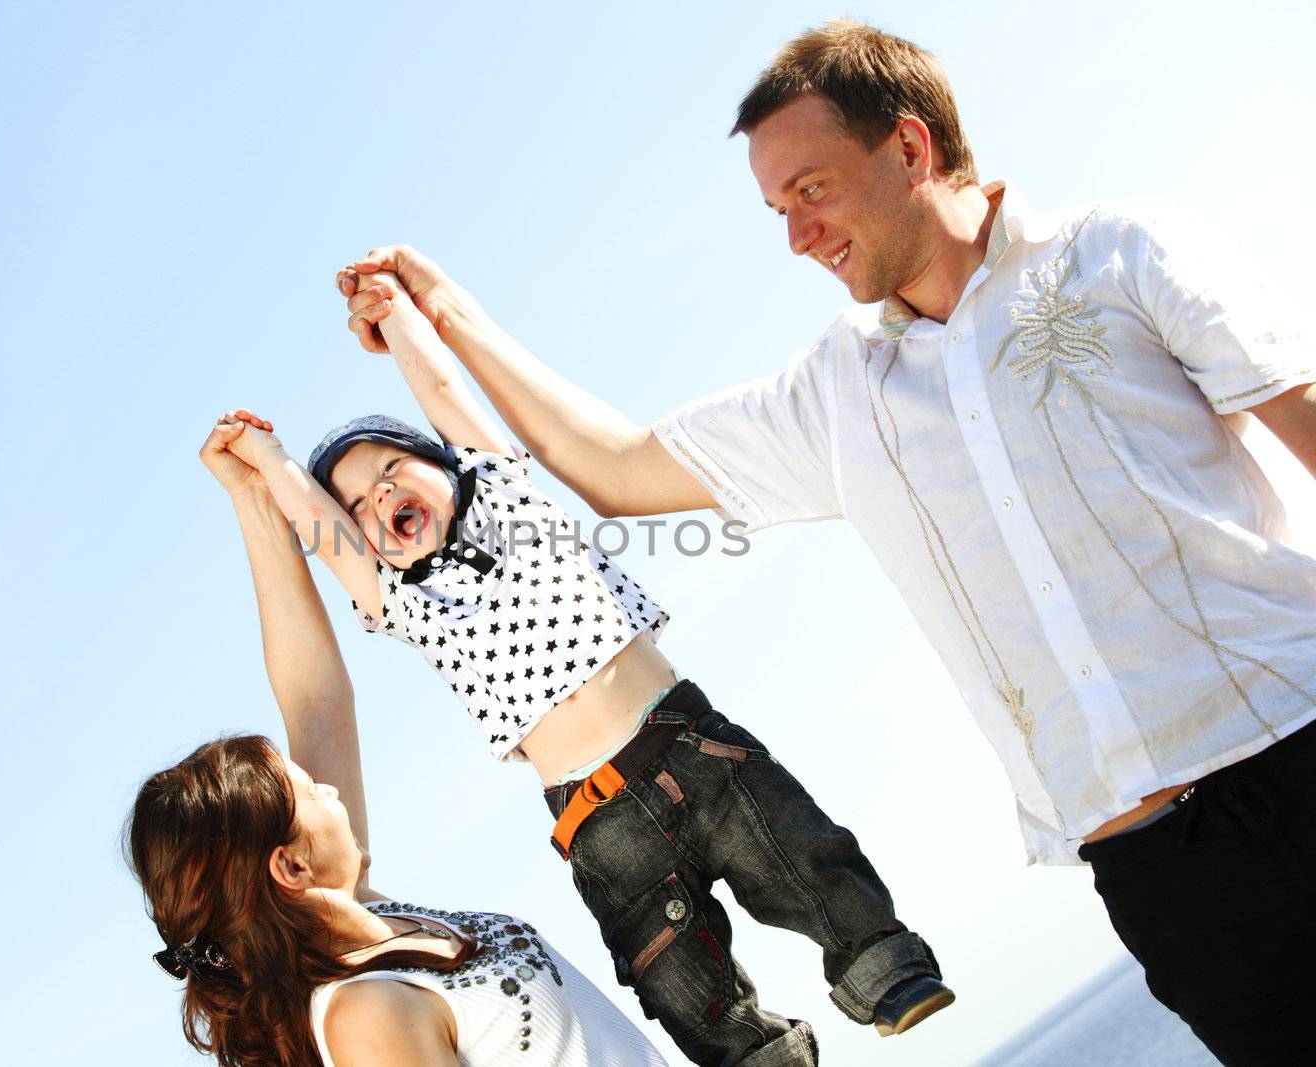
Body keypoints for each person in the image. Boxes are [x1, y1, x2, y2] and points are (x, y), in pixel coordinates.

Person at [334, 20, 1316, 1066]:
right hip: (1161, 873)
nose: (796, 235)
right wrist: (446, 315)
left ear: (909, 147)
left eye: (811, 189)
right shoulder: (837, 393)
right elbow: (614, 466)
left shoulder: (1117, 250)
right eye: (775, 209)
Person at [221, 270, 952, 1067]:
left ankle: (885, 967)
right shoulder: (402, 601)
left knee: (803, 854)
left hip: (689, 745)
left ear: (448, 466)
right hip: (595, 822)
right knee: (672, 970)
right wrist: (266, 456)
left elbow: (440, 386)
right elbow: (319, 524)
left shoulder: (506, 494)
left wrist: (396, 317)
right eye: (357, 505)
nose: (377, 496)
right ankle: (759, 1060)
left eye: (391, 468)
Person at [124, 412, 671, 1067]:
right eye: (311, 789)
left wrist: (251, 496)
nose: (329, 783)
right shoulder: (364, 1008)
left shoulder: (372, 927)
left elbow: (316, 698)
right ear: (292, 867)